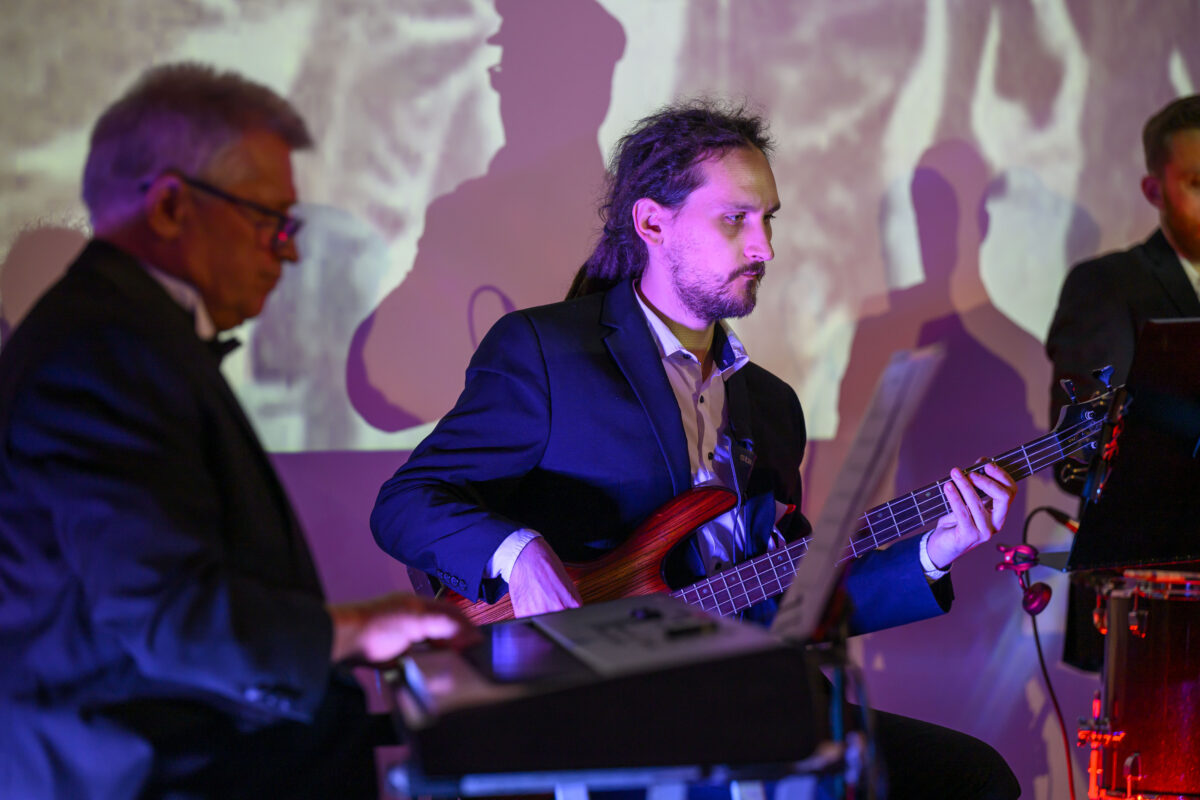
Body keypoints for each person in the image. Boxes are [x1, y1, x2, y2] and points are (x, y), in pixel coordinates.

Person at [372, 101, 1020, 798]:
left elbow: (785, 605)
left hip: (738, 702)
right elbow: (407, 504)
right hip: (596, 711)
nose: (764, 248)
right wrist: (520, 554)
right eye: (736, 218)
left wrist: (934, 551)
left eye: (768, 219)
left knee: (972, 778)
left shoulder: (771, 406)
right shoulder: (549, 351)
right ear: (653, 224)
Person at [0, 63, 471, 800]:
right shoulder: (106, 351)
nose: (287, 251)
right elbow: (168, 616)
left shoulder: (123, 334)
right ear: (169, 206)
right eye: (269, 221)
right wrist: (361, 629)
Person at [1045, 93, 1200, 670]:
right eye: (1198, 183)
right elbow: (1075, 458)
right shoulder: (1108, 285)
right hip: (1151, 595)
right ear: (1153, 191)